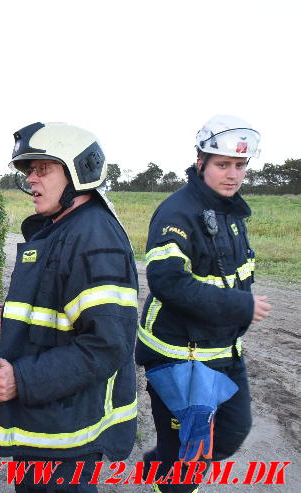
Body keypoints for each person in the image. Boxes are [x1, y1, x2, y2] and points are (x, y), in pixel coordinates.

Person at [0, 122, 139, 492]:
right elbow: (61, 311)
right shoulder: (61, 229)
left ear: (78, 171)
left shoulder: (94, 237)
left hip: (68, 436)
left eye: (42, 169)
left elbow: (107, 343)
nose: (31, 180)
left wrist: (22, 379)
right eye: (28, 171)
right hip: (49, 420)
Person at [136, 115, 272, 492]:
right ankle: (170, 475)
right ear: (201, 163)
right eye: (223, 165)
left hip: (224, 351)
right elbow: (168, 281)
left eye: (240, 166)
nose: (232, 175)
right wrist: (241, 307)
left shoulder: (230, 212)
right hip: (181, 356)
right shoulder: (176, 213)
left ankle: (158, 466)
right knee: (188, 457)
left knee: (231, 432)